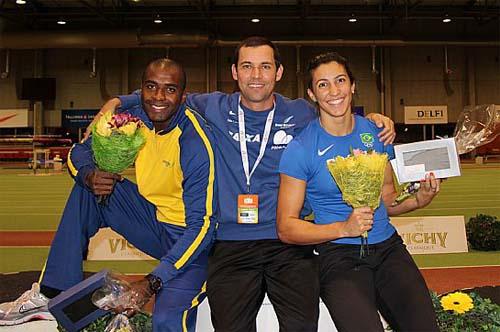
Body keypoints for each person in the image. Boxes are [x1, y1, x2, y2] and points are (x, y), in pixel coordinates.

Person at [98, 37, 395, 332]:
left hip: (288, 242)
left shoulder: (301, 112)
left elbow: (340, 118)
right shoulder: (211, 106)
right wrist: (118, 101)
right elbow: (162, 95)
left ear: (278, 73)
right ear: (234, 72)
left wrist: (373, 120)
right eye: (247, 66)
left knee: (302, 325)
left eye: (265, 66)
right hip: (230, 243)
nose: (256, 75)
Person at [0, 58, 217, 332]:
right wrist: (88, 175)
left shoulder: (194, 142)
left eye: (170, 89)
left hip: (192, 245)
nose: (159, 97)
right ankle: (52, 292)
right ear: (141, 90)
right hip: (154, 222)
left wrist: (153, 281)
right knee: (89, 189)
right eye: (151, 87)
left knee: (165, 322)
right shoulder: (135, 118)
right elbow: (78, 152)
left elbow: (203, 228)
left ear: (183, 96)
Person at [276, 51, 440, 332]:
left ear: (352, 85)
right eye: (323, 84)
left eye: (340, 80)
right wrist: (343, 228)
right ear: (312, 94)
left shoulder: (377, 133)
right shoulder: (301, 149)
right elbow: (286, 228)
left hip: (388, 249)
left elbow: (386, 200)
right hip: (338, 257)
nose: (334, 91)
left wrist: (417, 200)